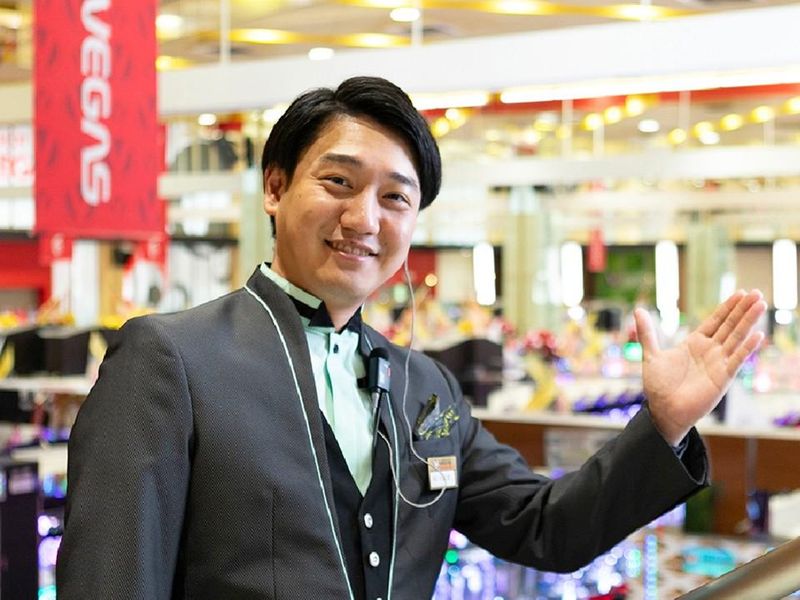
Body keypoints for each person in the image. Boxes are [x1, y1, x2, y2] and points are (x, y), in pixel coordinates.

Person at [56, 76, 766, 600]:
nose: (365, 219)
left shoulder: (426, 389)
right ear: (274, 188)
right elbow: (111, 581)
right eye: (339, 182)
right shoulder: (172, 360)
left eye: (395, 197)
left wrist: (663, 425)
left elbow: (548, 527)